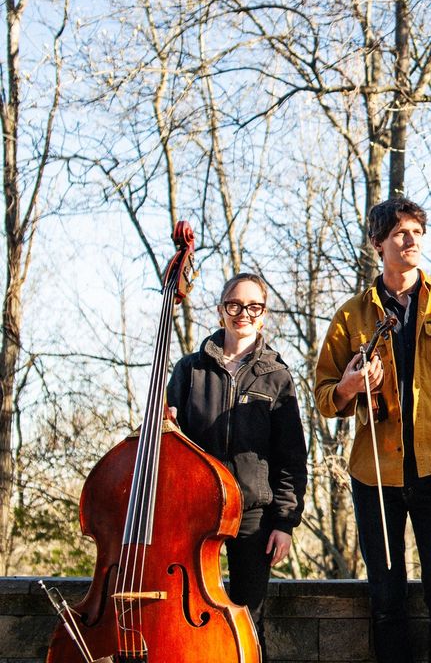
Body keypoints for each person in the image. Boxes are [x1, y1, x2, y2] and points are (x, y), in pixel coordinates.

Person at [314, 197, 431, 663]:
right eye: (399, 233)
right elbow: (324, 396)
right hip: (375, 476)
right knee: (387, 602)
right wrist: (350, 385)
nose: (411, 241)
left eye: (417, 232)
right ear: (378, 244)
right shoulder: (352, 315)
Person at [166, 272, 308, 660]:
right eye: (234, 305)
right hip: (195, 510)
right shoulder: (189, 370)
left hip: (252, 515)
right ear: (220, 311)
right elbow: (169, 446)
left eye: (253, 307)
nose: (243, 313)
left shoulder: (276, 376)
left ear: (263, 315)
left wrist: (284, 523)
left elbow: (291, 457)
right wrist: (165, 427)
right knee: (187, 609)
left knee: (248, 617)